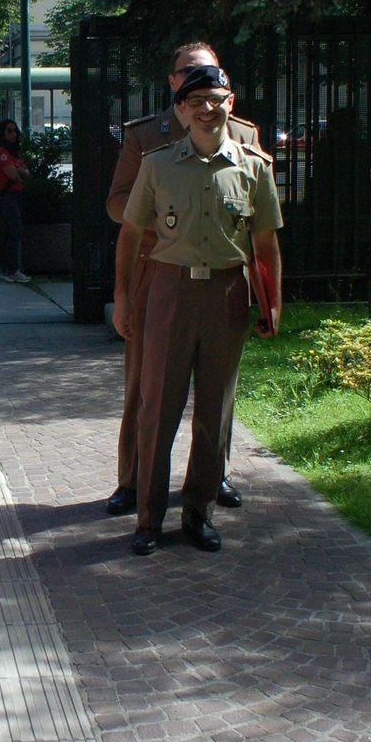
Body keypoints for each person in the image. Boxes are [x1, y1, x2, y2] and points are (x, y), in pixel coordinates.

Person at [114, 65, 282, 556]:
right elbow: (130, 236)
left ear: (231, 103)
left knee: (216, 410)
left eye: (219, 99)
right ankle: (147, 518)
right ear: (182, 110)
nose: (211, 110)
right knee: (158, 408)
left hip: (227, 294)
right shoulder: (158, 164)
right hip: (170, 292)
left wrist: (272, 303)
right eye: (200, 101)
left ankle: (199, 513)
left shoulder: (254, 167)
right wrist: (124, 297)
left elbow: (265, 243)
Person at [0, 118, 30, 283]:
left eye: (14, 130)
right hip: (7, 197)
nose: (13, 134)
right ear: (2, 133)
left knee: (12, 233)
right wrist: (20, 171)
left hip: (15, 196)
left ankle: (10, 269)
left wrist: (19, 171)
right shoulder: (1, 152)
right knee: (13, 232)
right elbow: (14, 175)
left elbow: (26, 173)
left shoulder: (14, 153)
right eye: (9, 131)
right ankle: (12, 270)